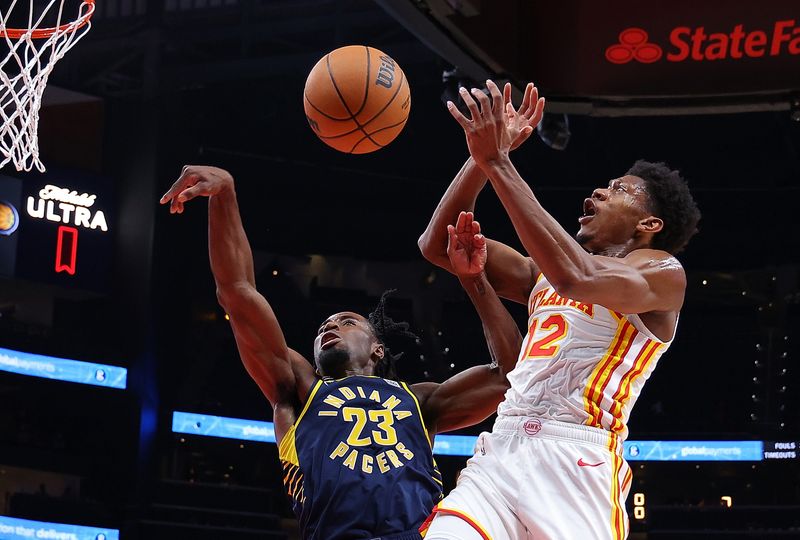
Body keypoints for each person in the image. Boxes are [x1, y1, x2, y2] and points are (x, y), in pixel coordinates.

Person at [159, 165, 522, 540]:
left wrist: (474, 279)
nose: (329, 327)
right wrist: (226, 196)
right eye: (322, 328)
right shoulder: (298, 388)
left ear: (378, 349)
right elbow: (238, 291)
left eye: (347, 322)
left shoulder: (420, 400)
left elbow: (510, 375)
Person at [418, 81, 701, 540]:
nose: (598, 191)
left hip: (577, 459)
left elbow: (582, 278)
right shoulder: (539, 272)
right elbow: (437, 245)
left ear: (649, 224)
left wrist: (499, 162)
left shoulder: (662, 273)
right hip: (503, 448)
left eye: (618, 190)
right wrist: (481, 158)